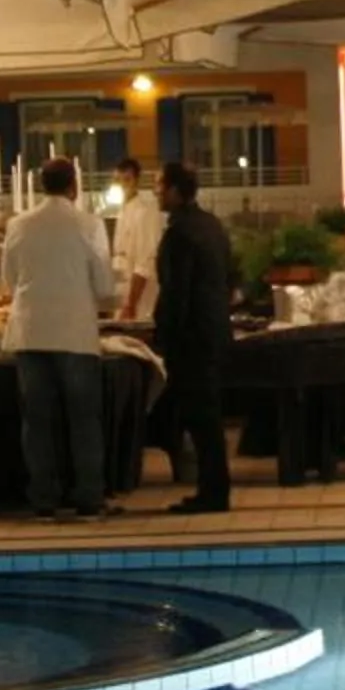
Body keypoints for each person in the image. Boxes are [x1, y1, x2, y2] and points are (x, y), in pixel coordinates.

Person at [0, 158, 122, 521]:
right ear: (74, 187)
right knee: (83, 418)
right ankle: (88, 498)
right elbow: (103, 286)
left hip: (30, 330)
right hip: (74, 333)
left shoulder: (18, 224)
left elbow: (8, 280)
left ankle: (43, 499)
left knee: (37, 420)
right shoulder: (88, 224)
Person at [152, 161, 237, 514]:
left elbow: (176, 293)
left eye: (159, 186)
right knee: (208, 418)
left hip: (191, 339)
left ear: (174, 190)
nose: (155, 192)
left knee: (201, 419)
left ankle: (212, 492)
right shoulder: (211, 225)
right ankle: (213, 487)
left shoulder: (180, 233)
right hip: (214, 331)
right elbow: (232, 278)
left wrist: (164, 337)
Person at [110, 156, 166, 322]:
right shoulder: (122, 212)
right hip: (121, 291)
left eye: (126, 180)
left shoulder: (144, 212)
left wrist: (131, 303)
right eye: (118, 181)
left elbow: (145, 261)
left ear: (136, 181)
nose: (122, 185)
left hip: (138, 298)